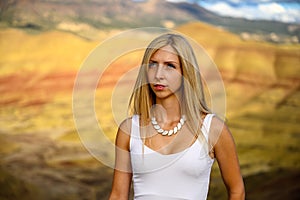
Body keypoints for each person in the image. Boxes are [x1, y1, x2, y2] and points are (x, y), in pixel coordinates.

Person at [109, 33, 245, 200]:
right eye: (153, 64)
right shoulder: (129, 130)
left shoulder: (213, 129)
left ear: (186, 73)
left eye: (170, 66)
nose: (158, 74)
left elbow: (237, 191)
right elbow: (118, 195)